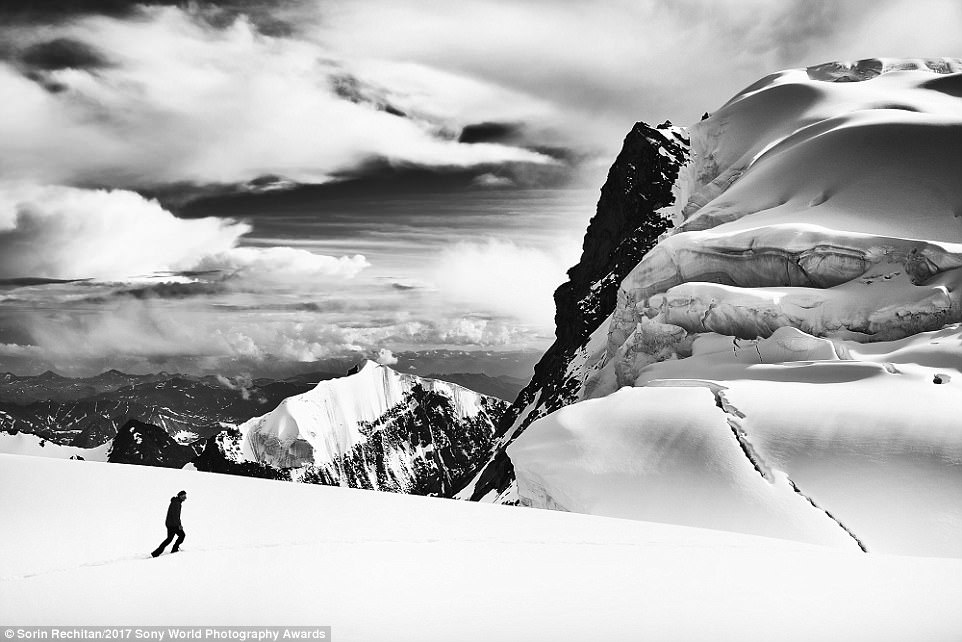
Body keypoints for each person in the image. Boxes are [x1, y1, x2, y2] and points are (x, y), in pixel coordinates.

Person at [151, 490, 187, 557]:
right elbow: (175, 515)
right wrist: (179, 525)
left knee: (169, 539)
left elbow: (176, 516)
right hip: (173, 524)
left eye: (185, 496)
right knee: (182, 535)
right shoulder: (176, 503)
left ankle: (156, 553)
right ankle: (174, 549)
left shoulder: (176, 502)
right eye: (183, 496)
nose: (185, 497)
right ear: (180, 496)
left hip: (170, 524)